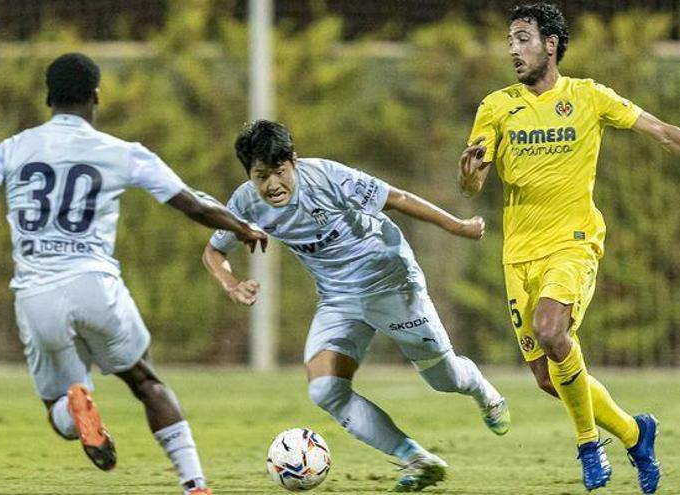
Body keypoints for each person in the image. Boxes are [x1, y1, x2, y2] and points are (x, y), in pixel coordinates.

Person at [0, 53, 268, 495]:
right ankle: (194, 484)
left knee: (58, 404)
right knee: (145, 381)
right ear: (96, 96)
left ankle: (76, 411)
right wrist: (240, 227)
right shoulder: (122, 152)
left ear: (48, 97)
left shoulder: (13, 148)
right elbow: (191, 203)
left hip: (36, 295)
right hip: (96, 285)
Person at [459, 3, 680, 493]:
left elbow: (668, 136)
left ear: (550, 43)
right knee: (548, 376)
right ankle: (634, 432)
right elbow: (473, 184)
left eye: (522, 38)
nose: (513, 50)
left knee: (550, 328)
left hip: (574, 242)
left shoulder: (589, 97)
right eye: (509, 41)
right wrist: (468, 175)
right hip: (518, 255)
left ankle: (589, 445)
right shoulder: (496, 106)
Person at [203, 119, 509, 492]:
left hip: (392, 284)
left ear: (293, 161)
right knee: (325, 390)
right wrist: (231, 284)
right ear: (250, 174)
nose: (272, 185)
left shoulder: (328, 177)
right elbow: (214, 251)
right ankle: (416, 458)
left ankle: (482, 391)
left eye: (280, 172)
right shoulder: (246, 202)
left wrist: (456, 226)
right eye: (261, 175)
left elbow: (397, 198)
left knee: (444, 380)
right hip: (338, 299)